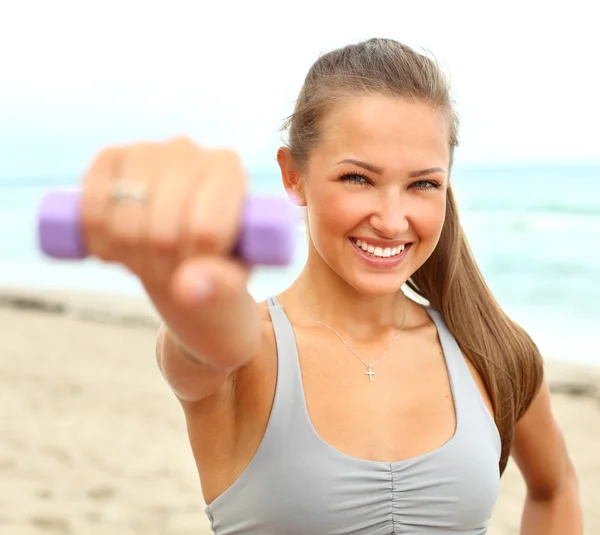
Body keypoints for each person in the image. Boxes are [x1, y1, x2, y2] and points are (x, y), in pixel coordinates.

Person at [79, 38, 582, 534]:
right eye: (358, 179)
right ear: (293, 176)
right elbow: (212, 333)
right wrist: (187, 272)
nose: (391, 220)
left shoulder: (490, 349)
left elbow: (555, 487)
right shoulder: (247, 354)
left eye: (423, 184)